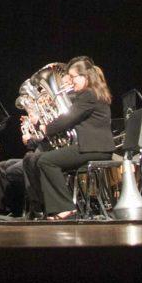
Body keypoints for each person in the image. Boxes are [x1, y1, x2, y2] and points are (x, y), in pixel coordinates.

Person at [28, 58, 115, 220]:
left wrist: (46, 128)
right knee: (43, 159)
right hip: (93, 147)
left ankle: (66, 208)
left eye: (73, 77)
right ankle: (58, 208)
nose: (70, 81)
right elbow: (70, 116)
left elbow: (68, 119)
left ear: (85, 77)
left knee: (46, 161)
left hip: (94, 148)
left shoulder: (88, 94)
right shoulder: (93, 93)